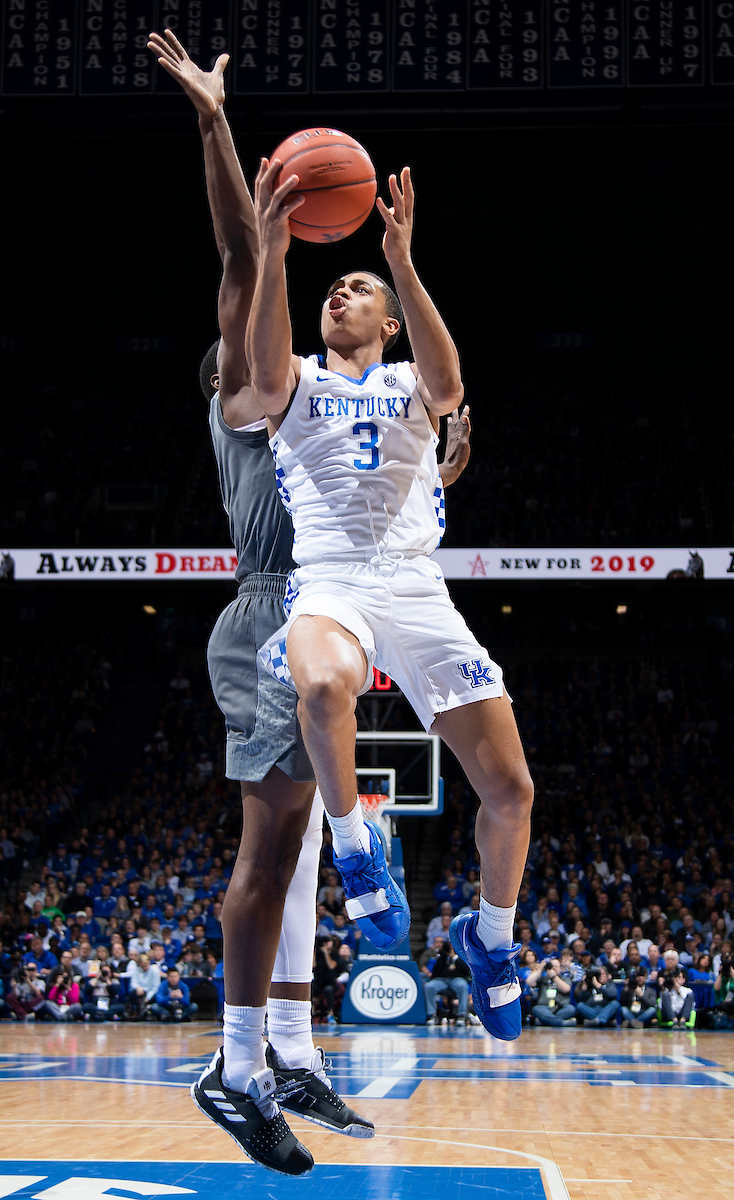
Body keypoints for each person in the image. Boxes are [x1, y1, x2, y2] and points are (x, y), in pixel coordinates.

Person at [146, 29, 471, 1178]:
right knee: (273, 843)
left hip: (330, 602)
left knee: (286, 848)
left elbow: (402, 435)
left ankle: (279, 1047)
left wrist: (430, 460)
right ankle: (242, 1062)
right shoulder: (253, 386)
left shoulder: (340, 403)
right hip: (276, 608)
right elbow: (241, 252)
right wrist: (216, 124)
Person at [247, 150, 533, 1045]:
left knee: (513, 792)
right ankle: (354, 842)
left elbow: (450, 385)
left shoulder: (415, 383)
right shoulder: (295, 380)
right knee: (325, 687)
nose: (342, 294)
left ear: (391, 318)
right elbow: (256, 365)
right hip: (329, 579)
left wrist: (401, 260)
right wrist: (271, 247)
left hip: (414, 588)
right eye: (336, 284)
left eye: (359, 285)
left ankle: (492, 938)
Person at [424, 938, 472, 1026]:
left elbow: (466, 971)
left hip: (457, 979)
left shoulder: (461, 956)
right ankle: (432, 1015)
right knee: (429, 987)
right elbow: (436, 971)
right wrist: (444, 956)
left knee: (462, 986)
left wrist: (455, 958)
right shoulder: (442, 957)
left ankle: (461, 1014)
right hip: (442, 980)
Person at [529, 958, 576, 1027]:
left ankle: (544, 1021)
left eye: (556, 966)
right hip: (544, 1007)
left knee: (571, 1009)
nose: (553, 968)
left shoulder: (565, 978)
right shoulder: (543, 978)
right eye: (551, 966)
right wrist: (540, 969)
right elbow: (529, 982)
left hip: (560, 1007)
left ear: (561, 969)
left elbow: (566, 989)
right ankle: (562, 1023)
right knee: (536, 1009)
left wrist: (554, 977)